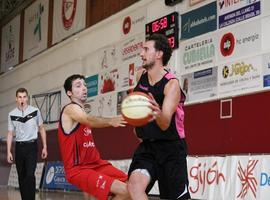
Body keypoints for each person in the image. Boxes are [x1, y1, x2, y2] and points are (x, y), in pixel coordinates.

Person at [127, 34, 191, 200]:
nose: (141, 53)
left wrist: (156, 112)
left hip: (171, 149)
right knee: (134, 186)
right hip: (148, 148)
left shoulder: (171, 84)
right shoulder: (140, 75)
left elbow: (164, 124)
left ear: (159, 54)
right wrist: (135, 122)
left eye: (146, 49)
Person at [58, 74, 130, 200]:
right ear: (69, 93)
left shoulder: (82, 110)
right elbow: (87, 120)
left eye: (85, 85)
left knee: (133, 186)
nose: (84, 88)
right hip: (78, 169)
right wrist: (110, 121)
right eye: (78, 86)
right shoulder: (70, 109)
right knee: (126, 192)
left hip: (97, 164)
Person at [6, 87, 48, 200]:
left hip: (32, 146)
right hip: (19, 147)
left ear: (27, 98)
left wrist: (45, 147)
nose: (22, 99)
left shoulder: (35, 111)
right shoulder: (11, 114)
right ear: (16, 99)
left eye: (24, 97)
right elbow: (10, 133)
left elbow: (42, 128)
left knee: (30, 175)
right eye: (20, 97)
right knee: (22, 176)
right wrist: (8, 151)